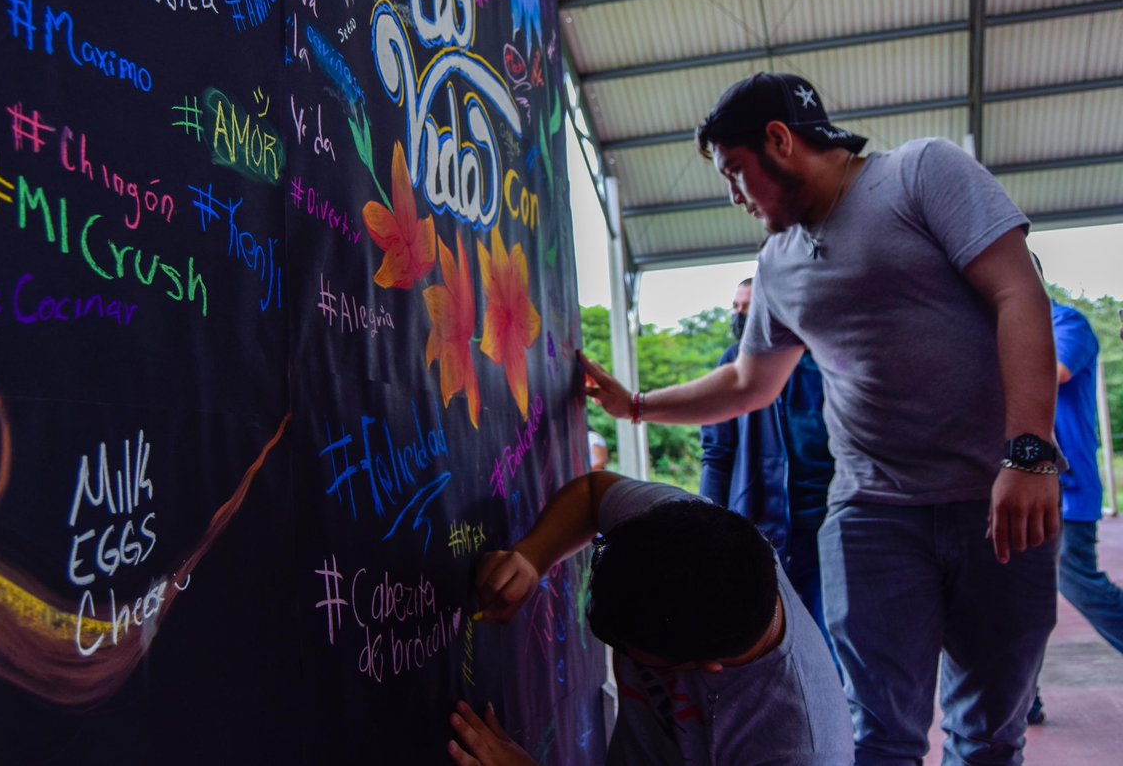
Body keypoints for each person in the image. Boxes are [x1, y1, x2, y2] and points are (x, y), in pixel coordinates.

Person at [581, 71, 1061, 764]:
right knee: (881, 734)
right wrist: (637, 406)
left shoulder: (920, 174)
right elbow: (750, 383)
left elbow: (1020, 292)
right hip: (872, 515)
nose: (733, 195)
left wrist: (1028, 454)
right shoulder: (776, 264)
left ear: (780, 140)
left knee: (989, 732)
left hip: (998, 499)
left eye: (736, 171)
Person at [447, 471, 853, 765]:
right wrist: (533, 556)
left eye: (632, 654)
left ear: (708, 667)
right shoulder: (683, 530)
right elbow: (593, 495)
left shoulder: (800, 748)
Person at [700, 277, 835, 657]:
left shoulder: (827, 359)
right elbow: (716, 452)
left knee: (831, 639)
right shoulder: (733, 363)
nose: (739, 315)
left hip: (829, 523)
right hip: (760, 525)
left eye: (748, 307)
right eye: (736, 307)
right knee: (767, 640)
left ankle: (832, 714)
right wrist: (708, 524)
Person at [1028, 284, 1123, 724]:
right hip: (1019, 488)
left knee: (1079, 582)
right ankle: (1023, 698)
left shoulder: (1068, 324)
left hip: (1070, 491)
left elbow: (1057, 371)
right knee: (1011, 594)